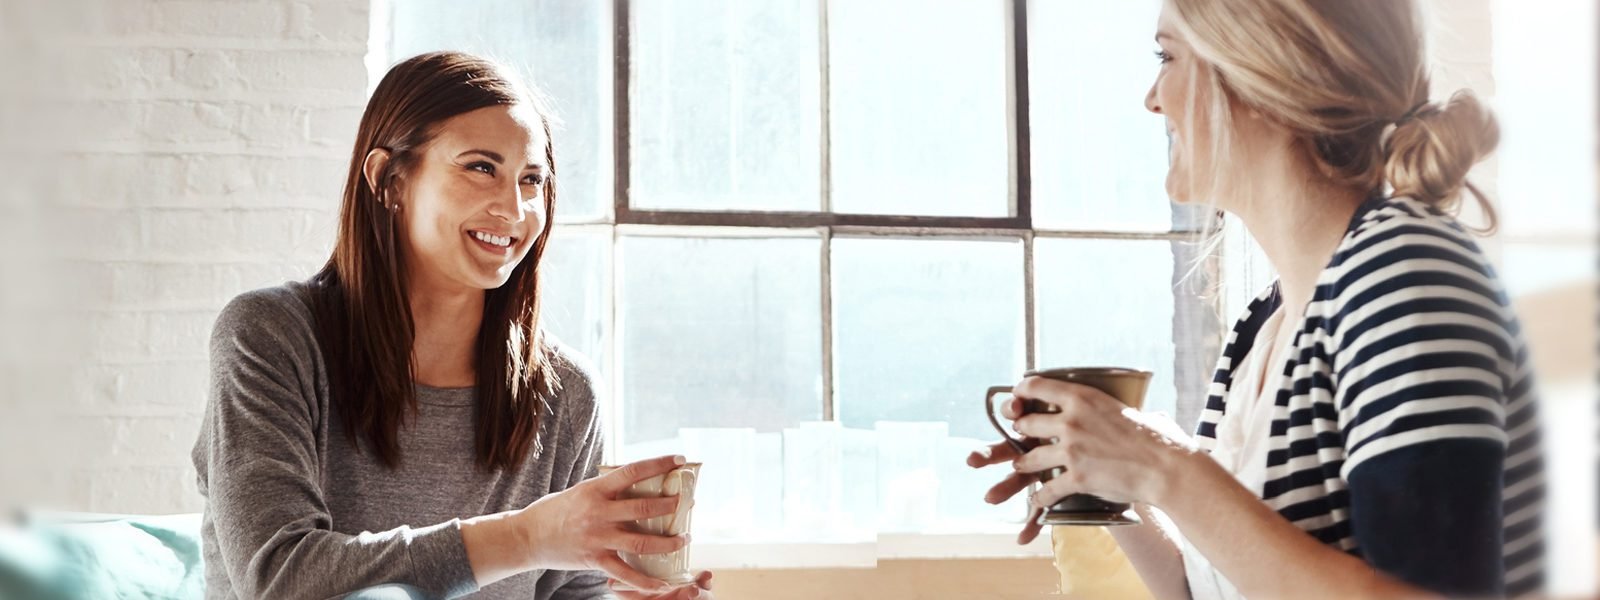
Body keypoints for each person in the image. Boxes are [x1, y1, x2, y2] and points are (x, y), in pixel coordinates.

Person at [970, 1, 1544, 597]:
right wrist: (1117, 474)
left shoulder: (1401, 273)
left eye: (1167, 57)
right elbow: (1211, 587)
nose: (1151, 100)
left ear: (1261, 76)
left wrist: (1166, 467)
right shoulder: (1262, 324)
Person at [192, 51, 714, 600]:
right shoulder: (271, 338)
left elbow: (572, 594)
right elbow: (278, 579)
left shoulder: (567, 393)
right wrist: (527, 536)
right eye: (481, 168)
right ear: (388, 180)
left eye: (531, 180)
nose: (514, 209)